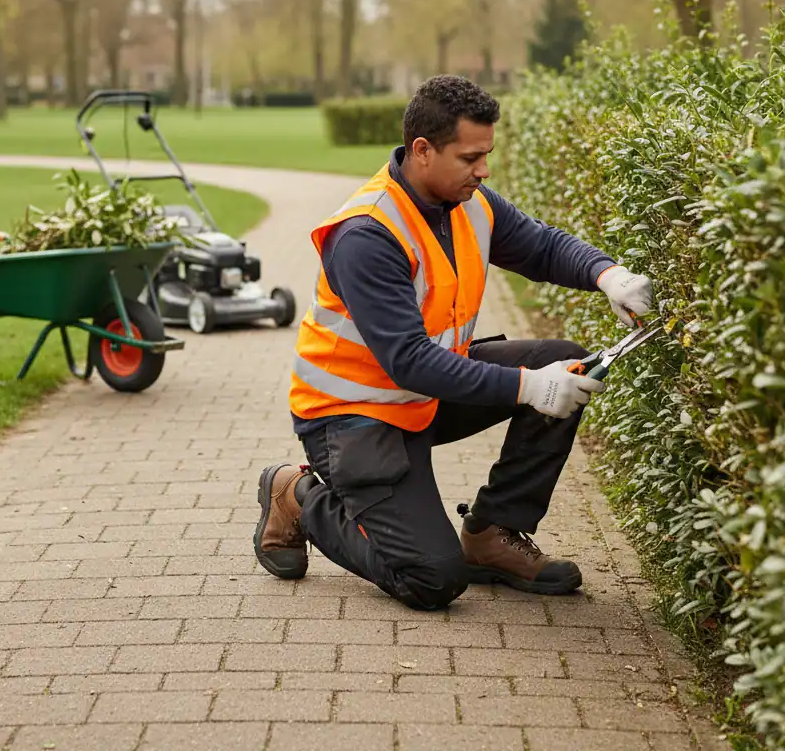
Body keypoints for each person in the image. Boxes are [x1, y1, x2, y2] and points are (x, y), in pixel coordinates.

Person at [252, 75, 654, 609]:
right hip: (353, 418)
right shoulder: (366, 235)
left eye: (486, 155)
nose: (483, 170)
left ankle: (492, 535)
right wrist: (529, 388)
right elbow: (409, 361)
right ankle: (297, 495)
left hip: (424, 398)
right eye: (470, 157)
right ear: (422, 150)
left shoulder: (469, 203)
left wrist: (609, 276)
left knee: (566, 363)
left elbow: (542, 246)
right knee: (431, 578)